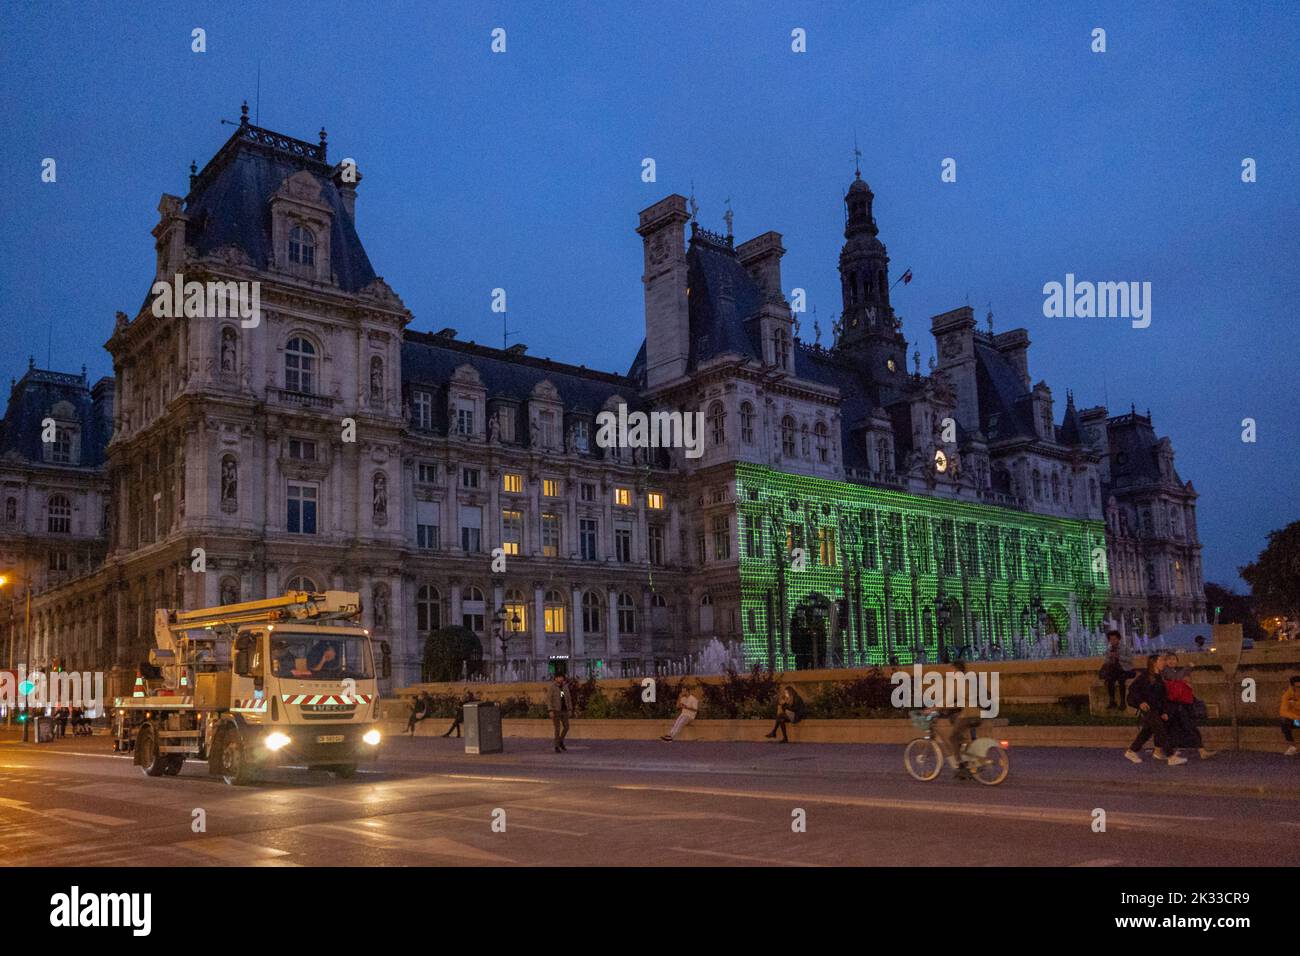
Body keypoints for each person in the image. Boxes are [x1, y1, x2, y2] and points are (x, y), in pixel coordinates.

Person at [1124, 654, 1187, 765]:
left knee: (1147, 731)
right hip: (1148, 708)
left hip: (1156, 709)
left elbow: (1162, 697)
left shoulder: (1159, 677)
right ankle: (1170, 756)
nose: (1164, 662)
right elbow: (1133, 689)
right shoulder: (1145, 676)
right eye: (1161, 660)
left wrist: (1164, 711)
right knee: (1160, 729)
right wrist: (1140, 702)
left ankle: (1131, 751)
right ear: (1154, 663)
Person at [1162, 653, 1215, 759]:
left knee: (1179, 727)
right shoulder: (1166, 671)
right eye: (1169, 659)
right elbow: (1177, 678)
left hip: (1179, 704)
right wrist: (1188, 667)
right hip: (1174, 705)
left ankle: (1200, 750)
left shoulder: (1173, 671)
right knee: (1185, 727)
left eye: (1174, 659)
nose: (1171, 661)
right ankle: (1200, 751)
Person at [1098, 630, 1136, 709]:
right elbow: (1106, 662)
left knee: (1121, 679)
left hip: (1126, 670)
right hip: (1114, 671)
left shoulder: (1125, 648)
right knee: (1110, 680)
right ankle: (1112, 701)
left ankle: (1123, 701)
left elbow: (1130, 660)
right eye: (1111, 639)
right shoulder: (1109, 650)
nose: (1113, 641)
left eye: (1114, 639)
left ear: (1118, 639)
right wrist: (1110, 658)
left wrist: (1119, 657)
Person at [546, 673, 572, 753]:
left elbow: (567, 698)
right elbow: (549, 699)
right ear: (556, 678)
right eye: (559, 677)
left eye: (562, 677)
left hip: (564, 710)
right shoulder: (552, 687)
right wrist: (550, 710)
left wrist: (570, 709)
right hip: (556, 710)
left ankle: (560, 741)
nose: (560, 679)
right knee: (557, 729)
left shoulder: (564, 687)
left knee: (566, 727)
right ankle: (556, 746)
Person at [1280, 675, 1300, 757]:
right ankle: (1293, 747)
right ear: (1292, 686)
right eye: (1298, 687)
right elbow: (1283, 712)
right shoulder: (1287, 695)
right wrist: (1297, 718)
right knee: (1284, 720)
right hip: (1297, 721)